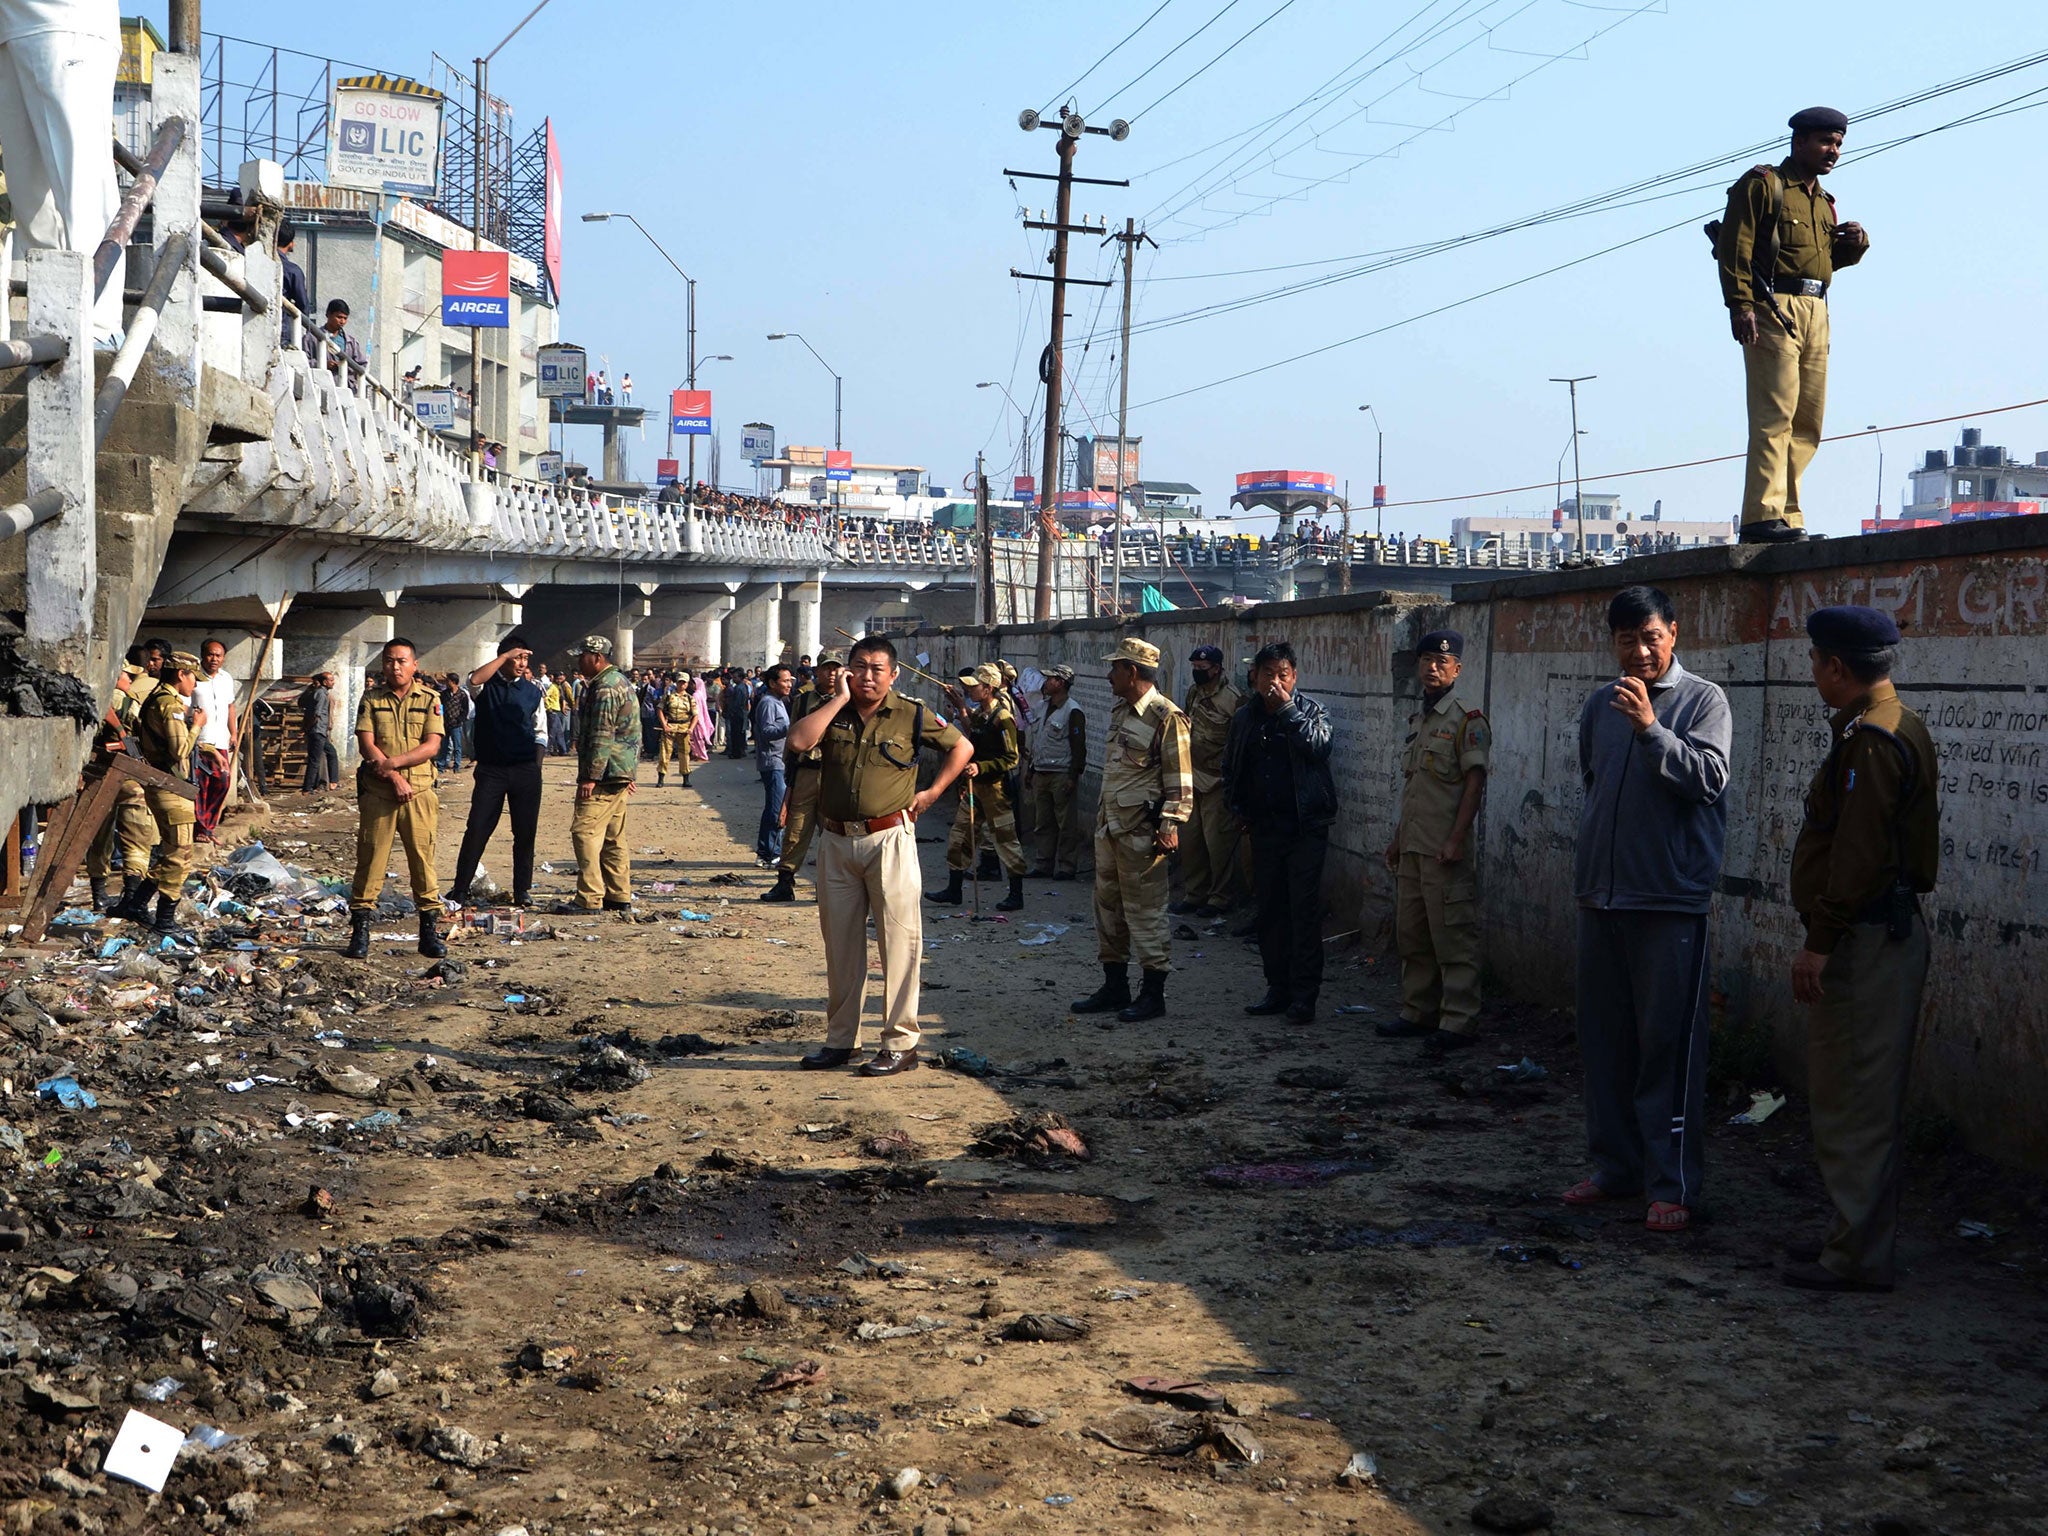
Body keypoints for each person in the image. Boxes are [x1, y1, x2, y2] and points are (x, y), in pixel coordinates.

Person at [1566, 586, 1731, 1234]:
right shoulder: (1597, 707)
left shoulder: (1703, 701)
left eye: (1650, 638)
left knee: (1668, 1049)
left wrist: (1651, 730)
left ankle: (1673, 1185)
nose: (1638, 652)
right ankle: (1615, 1168)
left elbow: (1708, 778)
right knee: (1605, 1044)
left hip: (1668, 903)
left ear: (1674, 634)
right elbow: (1593, 783)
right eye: (1625, 640)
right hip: (1602, 898)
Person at [1783, 606, 1939, 1294]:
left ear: (1837, 668)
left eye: (1817, 662)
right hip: (1874, 933)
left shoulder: (1873, 740)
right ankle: (1852, 1240)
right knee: (1855, 1094)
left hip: (1866, 938)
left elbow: (1856, 855)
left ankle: (1856, 1257)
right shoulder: (1886, 725)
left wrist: (1820, 942)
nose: (1814, 673)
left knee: (1855, 1100)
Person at [783, 634, 972, 1077]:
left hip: (889, 840)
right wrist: (838, 698)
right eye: (859, 667)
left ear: (893, 674)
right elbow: (797, 742)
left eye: (876, 669)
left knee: (900, 943)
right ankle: (841, 1041)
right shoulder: (832, 713)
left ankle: (900, 1044)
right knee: (842, 946)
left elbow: (962, 747)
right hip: (835, 841)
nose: (868, 676)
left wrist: (932, 792)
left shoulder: (912, 714)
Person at [1717, 107, 1870, 544]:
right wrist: (1740, 305)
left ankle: (1788, 515)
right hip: (1772, 305)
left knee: (1808, 420)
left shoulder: (1822, 201)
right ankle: (1761, 516)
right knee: (1775, 413)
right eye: (1825, 141)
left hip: (1816, 307)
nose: (1834, 151)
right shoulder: (1764, 185)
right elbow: (1735, 247)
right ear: (1799, 142)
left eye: (1838, 143)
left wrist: (1855, 247)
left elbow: (1819, 262)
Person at [1378, 630, 1490, 1050]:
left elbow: (1474, 785)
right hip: (1414, 848)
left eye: (1442, 662)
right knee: (1413, 935)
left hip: (1446, 851)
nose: (1432, 667)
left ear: (1457, 669)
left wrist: (1457, 839)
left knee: (1453, 938)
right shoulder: (1420, 720)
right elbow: (1415, 790)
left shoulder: (1467, 720)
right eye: (1426, 660)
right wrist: (1397, 839)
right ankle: (1417, 1012)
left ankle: (1458, 1021)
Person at [1072, 638, 1192, 1023]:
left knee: (1145, 912)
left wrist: (1170, 825)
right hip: (1112, 827)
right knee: (1107, 908)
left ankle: (1152, 994)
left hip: (1143, 832)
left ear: (1133, 672)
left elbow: (1180, 781)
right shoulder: (1122, 711)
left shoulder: (1165, 716)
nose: (1109, 675)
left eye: (1115, 668)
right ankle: (1115, 986)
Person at [1222, 641, 1337, 1024]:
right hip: (1264, 829)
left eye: (1282, 675)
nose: (1274, 682)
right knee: (1270, 911)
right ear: (1255, 677)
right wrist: (1237, 807)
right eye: (1268, 674)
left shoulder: (1311, 711)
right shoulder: (1245, 716)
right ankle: (1277, 987)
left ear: (1294, 677)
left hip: (1305, 829)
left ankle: (1305, 996)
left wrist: (1287, 710)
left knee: (1302, 913)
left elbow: (1319, 748)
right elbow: (1232, 764)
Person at [0, 0, 121, 345]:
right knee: (31, 205)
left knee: (81, 184)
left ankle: (100, 328)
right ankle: (54, 328)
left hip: (67, 23)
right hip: (10, 29)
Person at [346, 638, 447, 960]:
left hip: (418, 794)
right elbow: (366, 744)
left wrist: (394, 764)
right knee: (371, 860)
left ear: (415, 665)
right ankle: (360, 933)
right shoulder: (372, 699)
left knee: (422, 862)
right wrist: (392, 775)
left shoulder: (430, 698)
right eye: (389, 661)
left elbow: (432, 746)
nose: (395, 666)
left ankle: (429, 933)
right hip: (380, 793)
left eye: (402, 660)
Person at [447, 635, 545, 910]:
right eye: (517, 658)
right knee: (477, 828)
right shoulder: (486, 686)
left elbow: (541, 733)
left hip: (525, 770)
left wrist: (534, 769)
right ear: (503, 658)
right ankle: (461, 888)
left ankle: (522, 890)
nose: (522, 663)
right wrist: (505, 655)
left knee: (525, 833)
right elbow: (473, 681)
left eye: (525, 658)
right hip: (491, 770)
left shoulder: (533, 690)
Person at [927, 662, 1027, 912]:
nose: (970, 690)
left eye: (975, 687)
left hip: (995, 789)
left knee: (1006, 840)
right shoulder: (982, 714)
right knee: (960, 836)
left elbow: (1011, 758)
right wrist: (961, 706)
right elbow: (974, 733)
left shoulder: (1003, 718)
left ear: (989, 688)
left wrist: (981, 767)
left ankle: (1016, 895)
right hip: (975, 789)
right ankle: (954, 890)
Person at [118, 650, 201, 938]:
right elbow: (179, 750)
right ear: (181, 674)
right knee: (180, 854)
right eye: (193, 678)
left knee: (170, 852)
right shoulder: (170, 704)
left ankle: (137, 904)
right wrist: (196, 727)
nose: (195, 685)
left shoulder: (155, 699)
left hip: (162, 783)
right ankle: (165, 919)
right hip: (170, 785)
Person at [567, 634, 639, 912]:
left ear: (597, 658)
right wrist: (628, 772)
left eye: (582, 656)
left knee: (584, 831)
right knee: (613, 838)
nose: (579, 661)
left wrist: (590, 777)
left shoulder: (605, 688)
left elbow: (601, 734)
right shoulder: (618, 681)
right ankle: (619, 894)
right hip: (618, 773)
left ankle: (590, 896)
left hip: (605, 775)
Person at [762, 652, 842, 902]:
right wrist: (789, 769)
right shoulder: (804, 700)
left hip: (835, 774)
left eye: (835, 669)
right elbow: (794, 735)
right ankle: (785, 882)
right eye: (827, 668)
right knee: (796, 828)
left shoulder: (849, 700)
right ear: (816, 672)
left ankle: (828, 887)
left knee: (832, 832)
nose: (831, 673)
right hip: (807, 771)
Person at [1175, 643, 1244, 917]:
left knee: (1217, 844)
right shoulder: (1194, 692)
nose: (1197, 672)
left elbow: (1239, 743)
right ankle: (1195, 894)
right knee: (1190, 842)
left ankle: (1220, 898)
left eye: (1202, 669)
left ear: (1216, 669)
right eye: (1194, 668)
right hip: (1191, 776)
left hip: (1217, 781)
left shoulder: (1233, 698)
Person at [85, 645, 155, 913]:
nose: (130, 680)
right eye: (128, 675)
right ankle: (132, 894)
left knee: (99, 837)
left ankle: (99, 894)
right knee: (136, 836)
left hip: (97, 777)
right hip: (129, 779)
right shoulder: (127, 702)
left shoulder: (94, 699)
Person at [1024, 664, 1086, 880]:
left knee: (1066, 824)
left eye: (1050, 679)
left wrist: (1072, 776)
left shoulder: (1073, 710)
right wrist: (1031, 769)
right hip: (1041, 771)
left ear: (1060, 683)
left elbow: (1079, 747)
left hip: (1061, 774)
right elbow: (1038, 739)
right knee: (1043, 822)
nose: (1046, 683)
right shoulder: (1043, 707)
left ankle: (1067, 866)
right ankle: (1043, 863)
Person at [190, 639, 237, 840]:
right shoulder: (193, 679)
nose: (214, 659)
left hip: (220, 741)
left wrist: (233, 733)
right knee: (200, 786)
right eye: (210, 654)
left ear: (224, 658)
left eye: (218, 655)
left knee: (222, 782)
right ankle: (200, 830)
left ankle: (208, 826)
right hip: (200, 742)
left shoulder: (226, 679)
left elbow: (230, 707)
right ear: (203, 656)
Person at [752, 664, 794, 866]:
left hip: (779, 761)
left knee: (774, 807)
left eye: (790, 681)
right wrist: (791, 726)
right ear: (772, 683)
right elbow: (767, 731)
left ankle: (766, 851)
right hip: (773, 761)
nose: (789, 685)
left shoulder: (778, 702)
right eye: (785, 681)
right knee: (777, 809)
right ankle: (771, 853)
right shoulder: (769, 703)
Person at [657, 670, 697, 787]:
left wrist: (691, 728)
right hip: (670, 727)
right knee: (665, 753)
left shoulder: (690, 698)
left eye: (684, 683)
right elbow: (660, 709)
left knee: (684, 753)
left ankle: (686, 778)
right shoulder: (669, 696)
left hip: (684, 728)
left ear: (687, 684)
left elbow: (695, 715)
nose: (682, 685)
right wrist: (664, 725)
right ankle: (661, 778)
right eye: (680, 682)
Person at [302, 670, 339, 791]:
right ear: (324, 682)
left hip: (321, 730)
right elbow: (316, 714)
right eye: (331, 680)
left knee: (331, 753)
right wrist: (308, 728)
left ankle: (333, 781)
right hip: (317, 730)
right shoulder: (321, 694)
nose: (333, 682)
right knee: (315, 760)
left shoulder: (323, 693)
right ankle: (308, 788)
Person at [277, 219, 312, 346]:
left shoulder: (255, 260)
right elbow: (303, 305)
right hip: (282, 332)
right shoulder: (293, 271)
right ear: (291, 243)